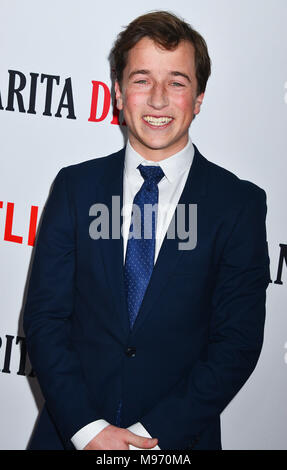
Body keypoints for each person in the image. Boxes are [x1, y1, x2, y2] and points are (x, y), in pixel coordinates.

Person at [23, 11, 270, 450]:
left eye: (177, 82)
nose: (158, 99)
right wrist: (88, 431)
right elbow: (45, 319)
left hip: (176, 443)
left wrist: (149, 439)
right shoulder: (75, 187)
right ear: (118, 93)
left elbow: (237, 343)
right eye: (141, 79)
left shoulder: (238, 205)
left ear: (198, 98)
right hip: (69, 437)